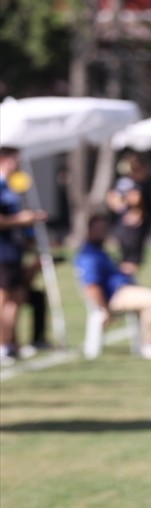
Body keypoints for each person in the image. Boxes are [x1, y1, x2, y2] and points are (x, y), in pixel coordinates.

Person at [75, 213, 151, 360]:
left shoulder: (101, 251)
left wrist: (124, 271)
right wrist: (105, 309)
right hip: (115, 296)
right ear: (89, 230)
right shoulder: (88, 255)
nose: (102, 232)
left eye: (104, 229)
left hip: (124, 290)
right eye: (98, 229)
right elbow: (91, 286)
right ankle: (149, 344)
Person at [0, 146, 45, 366]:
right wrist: (22, 219)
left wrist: (29, 234)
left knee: (16, 298)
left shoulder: (13, 185)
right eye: (13, 159)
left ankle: (11, 344)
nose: (17, 163)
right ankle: (3, 345)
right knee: (4, 299)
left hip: (13, 251)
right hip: (2, 252)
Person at [105, 153, 151, 277]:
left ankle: (125, 282)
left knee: (126, 257)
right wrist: (135, 211)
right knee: (132, 260)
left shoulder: (119, 183)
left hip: (121, 226)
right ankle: (127, 283)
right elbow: (135, 199)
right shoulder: (133, 184)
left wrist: (120, 208)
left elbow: (111, 200)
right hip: (131, 227)